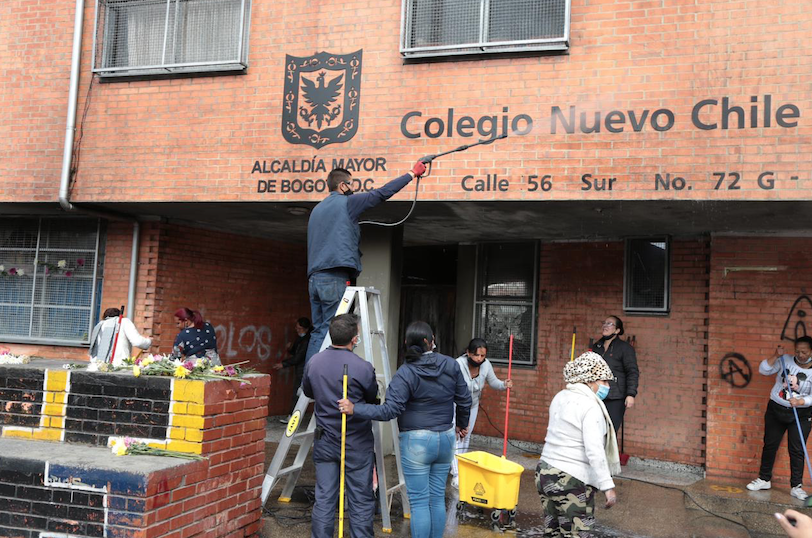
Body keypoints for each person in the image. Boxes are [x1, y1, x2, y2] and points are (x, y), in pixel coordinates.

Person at [338, 321, 472, 538]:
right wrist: (462, 424)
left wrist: (355, 408)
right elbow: (465, 399)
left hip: (416, 441)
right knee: (437, 498)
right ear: (431, 341)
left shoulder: (406, 372)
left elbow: (389, 410)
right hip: (446, 438)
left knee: (419, 502)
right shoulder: (450, 364)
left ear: (407, 342)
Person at [305, 161, 427, 363]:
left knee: (319, 331)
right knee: (334, 331)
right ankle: (325, 376)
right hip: (334, 277)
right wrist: (411, 173)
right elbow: (381, 193)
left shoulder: (317, 210)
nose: (353, 188)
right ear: (343, 186)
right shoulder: (347, 202)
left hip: (315, 279)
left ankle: (309, 378)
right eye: (351, 184)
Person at [302, 314, 378, 538]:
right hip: (356, 443)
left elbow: (308, 391)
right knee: (360, 499)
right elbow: (372, 398)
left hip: (325, 440)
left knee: (324, 497)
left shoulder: (314, 362)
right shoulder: (363, 367)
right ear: (354, 339)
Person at [536, 351, 620, 537]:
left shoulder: (560, 397)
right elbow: (594, 450)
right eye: (604, 381)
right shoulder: (590, 406)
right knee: (577, 533)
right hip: (571, 479)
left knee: (553, 531)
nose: (607, 387)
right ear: (589, 380)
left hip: (544, 472)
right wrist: (608, 487)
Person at [746, 336, 812, 500]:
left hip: (801, 414)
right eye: (798, 351)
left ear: (811, 352)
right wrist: (776, 355)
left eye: (804, 352)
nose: (800, 355)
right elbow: (763, 369)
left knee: (797, 450)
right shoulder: (785, 360)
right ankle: (764, 479)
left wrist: (801, 401)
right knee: (770, 444)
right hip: (776, 410)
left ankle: (796, 486)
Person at [449, 337, 513, 487]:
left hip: (472, 405)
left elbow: (494, 382)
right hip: (455, 405)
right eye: (476, 355)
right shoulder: (458, 364)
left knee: (466, 436)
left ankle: (459, 466)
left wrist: (504, 384)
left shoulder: (486, 365)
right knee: (455, 436)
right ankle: (456, 473)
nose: (479, 359)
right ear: (468, 353)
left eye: (482, 356)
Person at [590, 315, 639, 434]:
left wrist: (630, 394)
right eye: (604, 323)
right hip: (597, 394)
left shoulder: (625, 348)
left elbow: (632, 372)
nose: (605, 326)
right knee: (594, 429)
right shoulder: (597, 347)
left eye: (610, 324)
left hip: (616, 396)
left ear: (617, 330)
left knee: (609, 431)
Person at [273, 317, 312, 422]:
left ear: (306, 329)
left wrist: (283, 364)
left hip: (302, 370)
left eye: (299, 328)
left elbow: (298, 357)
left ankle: (292, 417)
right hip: (300, 369)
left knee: (297, 393)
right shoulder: (301, 338)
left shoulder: (307, 341)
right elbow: (295, 353)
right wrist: (290, 349)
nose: (297, 330)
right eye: (297, 328)